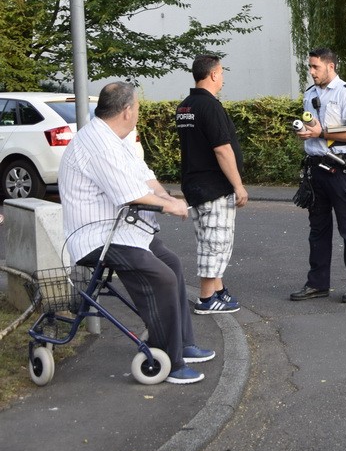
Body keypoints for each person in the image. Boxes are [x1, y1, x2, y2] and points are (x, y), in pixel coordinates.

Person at [58, 81, 214, 384]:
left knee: (172, 264)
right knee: (162, 277)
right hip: (98, 237)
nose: (139, 112)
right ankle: (168, 359)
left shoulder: (117, 139)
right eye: (138, 107)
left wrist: (169, 199)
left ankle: (183, 343)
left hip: (121, 231)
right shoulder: (98, 143)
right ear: (127, 110)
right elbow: (130, 193)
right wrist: (171, 207)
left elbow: (146, 179)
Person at [290, 47, 346, 303]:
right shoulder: (310, 94)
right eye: (310, 67)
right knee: (318, 230)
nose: (311, 71)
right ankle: (317, 284)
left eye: (315, 67)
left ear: (330, 67)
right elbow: (314, 128)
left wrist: (322, 133)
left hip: (342, 169)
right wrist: (306, 131)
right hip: (316, 169)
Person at [176, 55, 248, 314]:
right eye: (222, 73)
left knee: (209, 239)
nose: (223, 78)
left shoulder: (185, 106)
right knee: (215, 243)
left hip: (194, 184)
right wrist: (238, 185)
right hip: (214, 187)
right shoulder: (210, 107)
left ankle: (218, 290)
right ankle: (207, 299)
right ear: (214, 74)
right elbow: (222, 149)